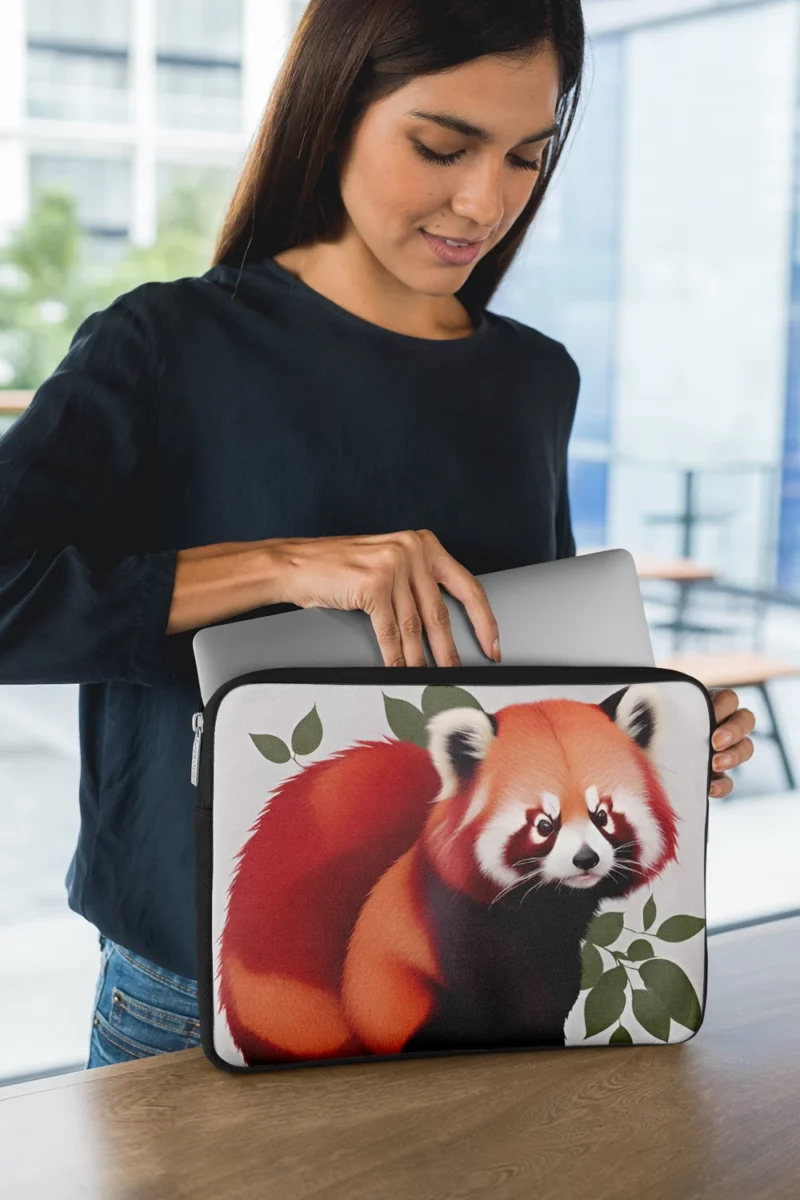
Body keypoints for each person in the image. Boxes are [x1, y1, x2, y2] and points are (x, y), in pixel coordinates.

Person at [0, 0, 755, 1070]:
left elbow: (515, 675)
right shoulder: (163, 345)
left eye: (524, 158)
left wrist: (652, 737)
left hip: (475, 986)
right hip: (195, 994)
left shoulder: (535, 378)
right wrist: (288, 567)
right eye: (440, 146)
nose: (482, 201)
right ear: (333, 108)